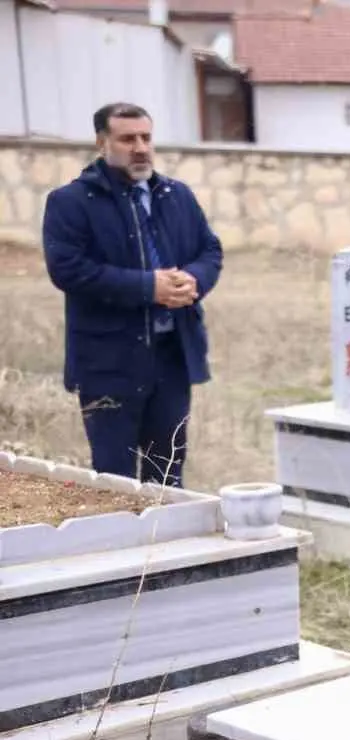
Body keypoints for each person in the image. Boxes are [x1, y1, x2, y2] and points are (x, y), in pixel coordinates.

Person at [41, 102, 223, 487]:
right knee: (115, 484)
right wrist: (148, 287)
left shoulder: (177, 195)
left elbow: (210, 251)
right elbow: (69, 270)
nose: (140, 147)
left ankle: (165, 547)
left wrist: (193, 280)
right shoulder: (71, 203)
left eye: (146, 137)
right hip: (108, 364)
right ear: (102, 142)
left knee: (167, 479)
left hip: (172, 359)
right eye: (127, 139)